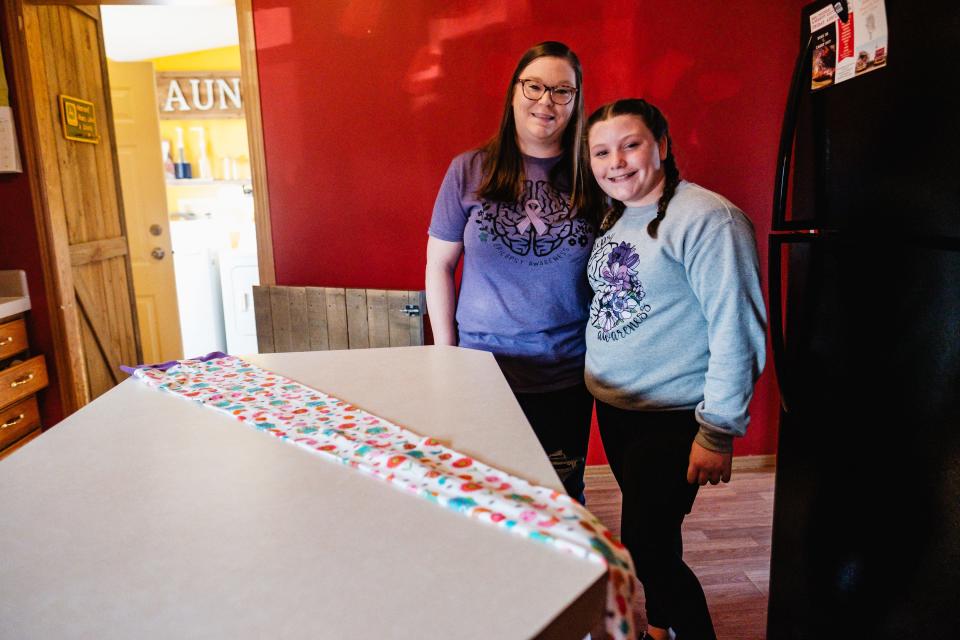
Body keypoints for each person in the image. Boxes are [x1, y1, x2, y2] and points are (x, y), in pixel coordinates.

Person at [582, 98, 766, 639]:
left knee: (646, 548)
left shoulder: (708, 218)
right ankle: (661, 625)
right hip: (618, 409)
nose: (616, 162)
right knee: (658, 536)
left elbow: (737, 327)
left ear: (662, 145)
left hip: (673, 416)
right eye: (601, 151)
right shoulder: (618, 216)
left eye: (630, 144)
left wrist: (717, 430)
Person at [425, 42, 594, 502]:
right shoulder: (469, 170)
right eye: (535, 86)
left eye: (563, 91)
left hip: (565, 372)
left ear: (576, 103)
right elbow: (439, 265)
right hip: (483, 371)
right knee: (484, 497)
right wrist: (447, 356)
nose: (546, 101)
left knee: (560, 498)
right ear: (514, 93)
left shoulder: (594, 176)